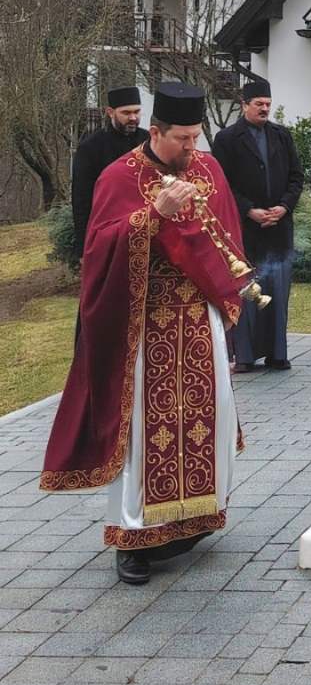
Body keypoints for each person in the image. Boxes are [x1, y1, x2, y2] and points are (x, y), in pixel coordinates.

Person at [41, 83, 246, 585]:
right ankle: (131, 537)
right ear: (154, 132)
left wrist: (231, 301)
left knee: (204, 417)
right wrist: (155, 216)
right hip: (144, 322)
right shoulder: (119, 176)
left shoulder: (208, 169)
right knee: (142, 430)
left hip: (198, 319)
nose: (192, 148)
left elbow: (227, 238)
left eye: (197, 137)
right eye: (182, 138)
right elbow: (100, 249)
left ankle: (194, 519)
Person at [212, 79, 303, 373]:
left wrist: (284, 206)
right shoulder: (227, 138)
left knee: (278, 293)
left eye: (267, 104)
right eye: (258, 104)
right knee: (247, 292)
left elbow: (296, 176)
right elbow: (222, 184)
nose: (264, 109)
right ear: (244, 105)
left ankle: (278, 354)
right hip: (244, 230)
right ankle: (246, 356)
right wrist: (249, 210)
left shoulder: (281, 135)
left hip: (278, 228)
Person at [70, 86, 149, 260]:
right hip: (108, 229)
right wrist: (84, 246)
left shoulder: (149, 142)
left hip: (147, 227)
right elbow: (81, 198)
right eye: (126, 113)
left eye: (137, 112)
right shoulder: (91, 147)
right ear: (110, 112)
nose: (133, 118)